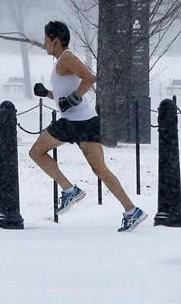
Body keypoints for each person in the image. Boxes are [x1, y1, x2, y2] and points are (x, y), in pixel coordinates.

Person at [28, 20, 147, 232]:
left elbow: (90, 78)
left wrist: (73, 99)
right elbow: (64, 96)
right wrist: (46, 93)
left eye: (46, 39)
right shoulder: (61, 60)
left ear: (55, 41)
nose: (44, 43)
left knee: (37, 152)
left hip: (77, 121)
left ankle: (69, 190)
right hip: (83, 121)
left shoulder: (67, 58)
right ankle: (131, 211)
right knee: (100, 169)